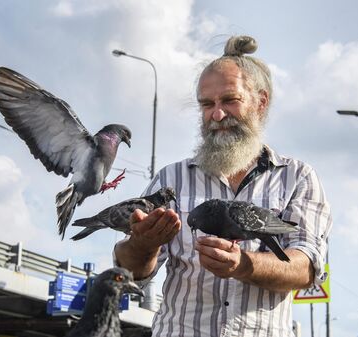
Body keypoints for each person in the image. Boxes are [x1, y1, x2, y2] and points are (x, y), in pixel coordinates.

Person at [114, 35, 332, 337]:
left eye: (230, 100)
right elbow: (132, 273)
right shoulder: (170, 180)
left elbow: (305, 269)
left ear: (260, 102)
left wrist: (242, 265)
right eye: (207, 104)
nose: (217, 114)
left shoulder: (297, 178)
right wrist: (142, 244)